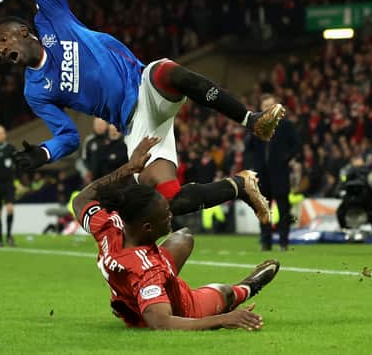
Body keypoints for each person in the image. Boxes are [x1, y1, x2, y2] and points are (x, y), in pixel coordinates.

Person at [0, 0, 285, 223]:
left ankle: (252, 120)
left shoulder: (52, 17)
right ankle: (240, 186)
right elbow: (68, 137)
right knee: (169, 201)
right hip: (135, 125)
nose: (1, 49)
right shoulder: (35, 90)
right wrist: (43, 153)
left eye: (3, 40)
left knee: (167, 71)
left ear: (23, 31)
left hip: (143, 85)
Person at [72, 136, 280, 330]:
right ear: (147, 227)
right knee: (225, 293)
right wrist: (225, 319)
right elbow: (161, 322)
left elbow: (80, 200)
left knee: (184, 237)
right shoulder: (146, 270)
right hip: (183, 305)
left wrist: (129, 168)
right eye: (165, 215)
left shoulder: (109, 226)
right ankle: (248, 287)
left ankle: (129, 297)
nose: (171, 215)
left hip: (133, 276)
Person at [244, 94, 301, 251]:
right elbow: (248, 149)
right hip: (262, 174)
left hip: (280, 173)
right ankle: (266, 242)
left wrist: (287, 158)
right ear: (261, 109)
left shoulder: (286, 125)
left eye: (271, 105)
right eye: (265, 106)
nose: (268, 108)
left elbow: (297, 145)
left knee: (283, 209)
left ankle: (284, 242)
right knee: (263, 209)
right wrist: (251, 167)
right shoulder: (257, 126)